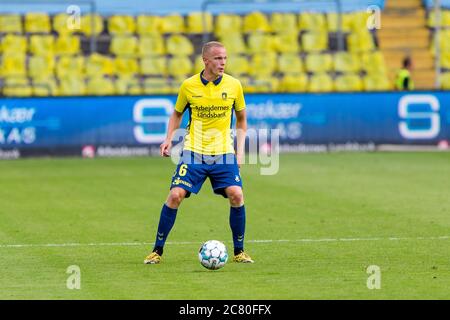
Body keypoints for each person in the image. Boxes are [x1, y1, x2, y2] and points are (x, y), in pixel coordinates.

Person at [144, 41, 254, 264]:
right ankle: (157, 251)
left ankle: (239, 252)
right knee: (175, 196)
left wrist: (239, 151)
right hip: (194, 151)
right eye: (218, 59)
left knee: (237, 195)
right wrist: (168, 139)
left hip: (223, 152)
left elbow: (242, 121)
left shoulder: (234, 85)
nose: (223, 62)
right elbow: (176, 114)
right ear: (206, 61)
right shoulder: (189, 86)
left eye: (225, 58)